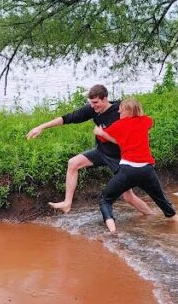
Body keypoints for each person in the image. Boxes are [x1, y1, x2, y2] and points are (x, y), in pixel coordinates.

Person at [27, 84, 153, 215]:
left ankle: (152, 216)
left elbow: (136, 128)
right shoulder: (93, 109)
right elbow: (68, 118)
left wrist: (105, 134)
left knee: (128, 197)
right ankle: (67, 203)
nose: (93, 106)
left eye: (95, 103)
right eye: (91, 103)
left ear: (105, 99)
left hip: (120, 157)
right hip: (101, 152)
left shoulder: (120, 110)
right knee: (73, 163)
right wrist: (41, 127)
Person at [93, 98, 178, 232]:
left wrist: (99, 132)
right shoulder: (145, 121)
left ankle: (113, 232)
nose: (119, 110)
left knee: (105, 200)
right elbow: (149, 121)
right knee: (161, 200)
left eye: (121, 108)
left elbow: (103, 138)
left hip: (128, 171)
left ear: (128, 110)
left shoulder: (119, 125)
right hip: (147, 170)